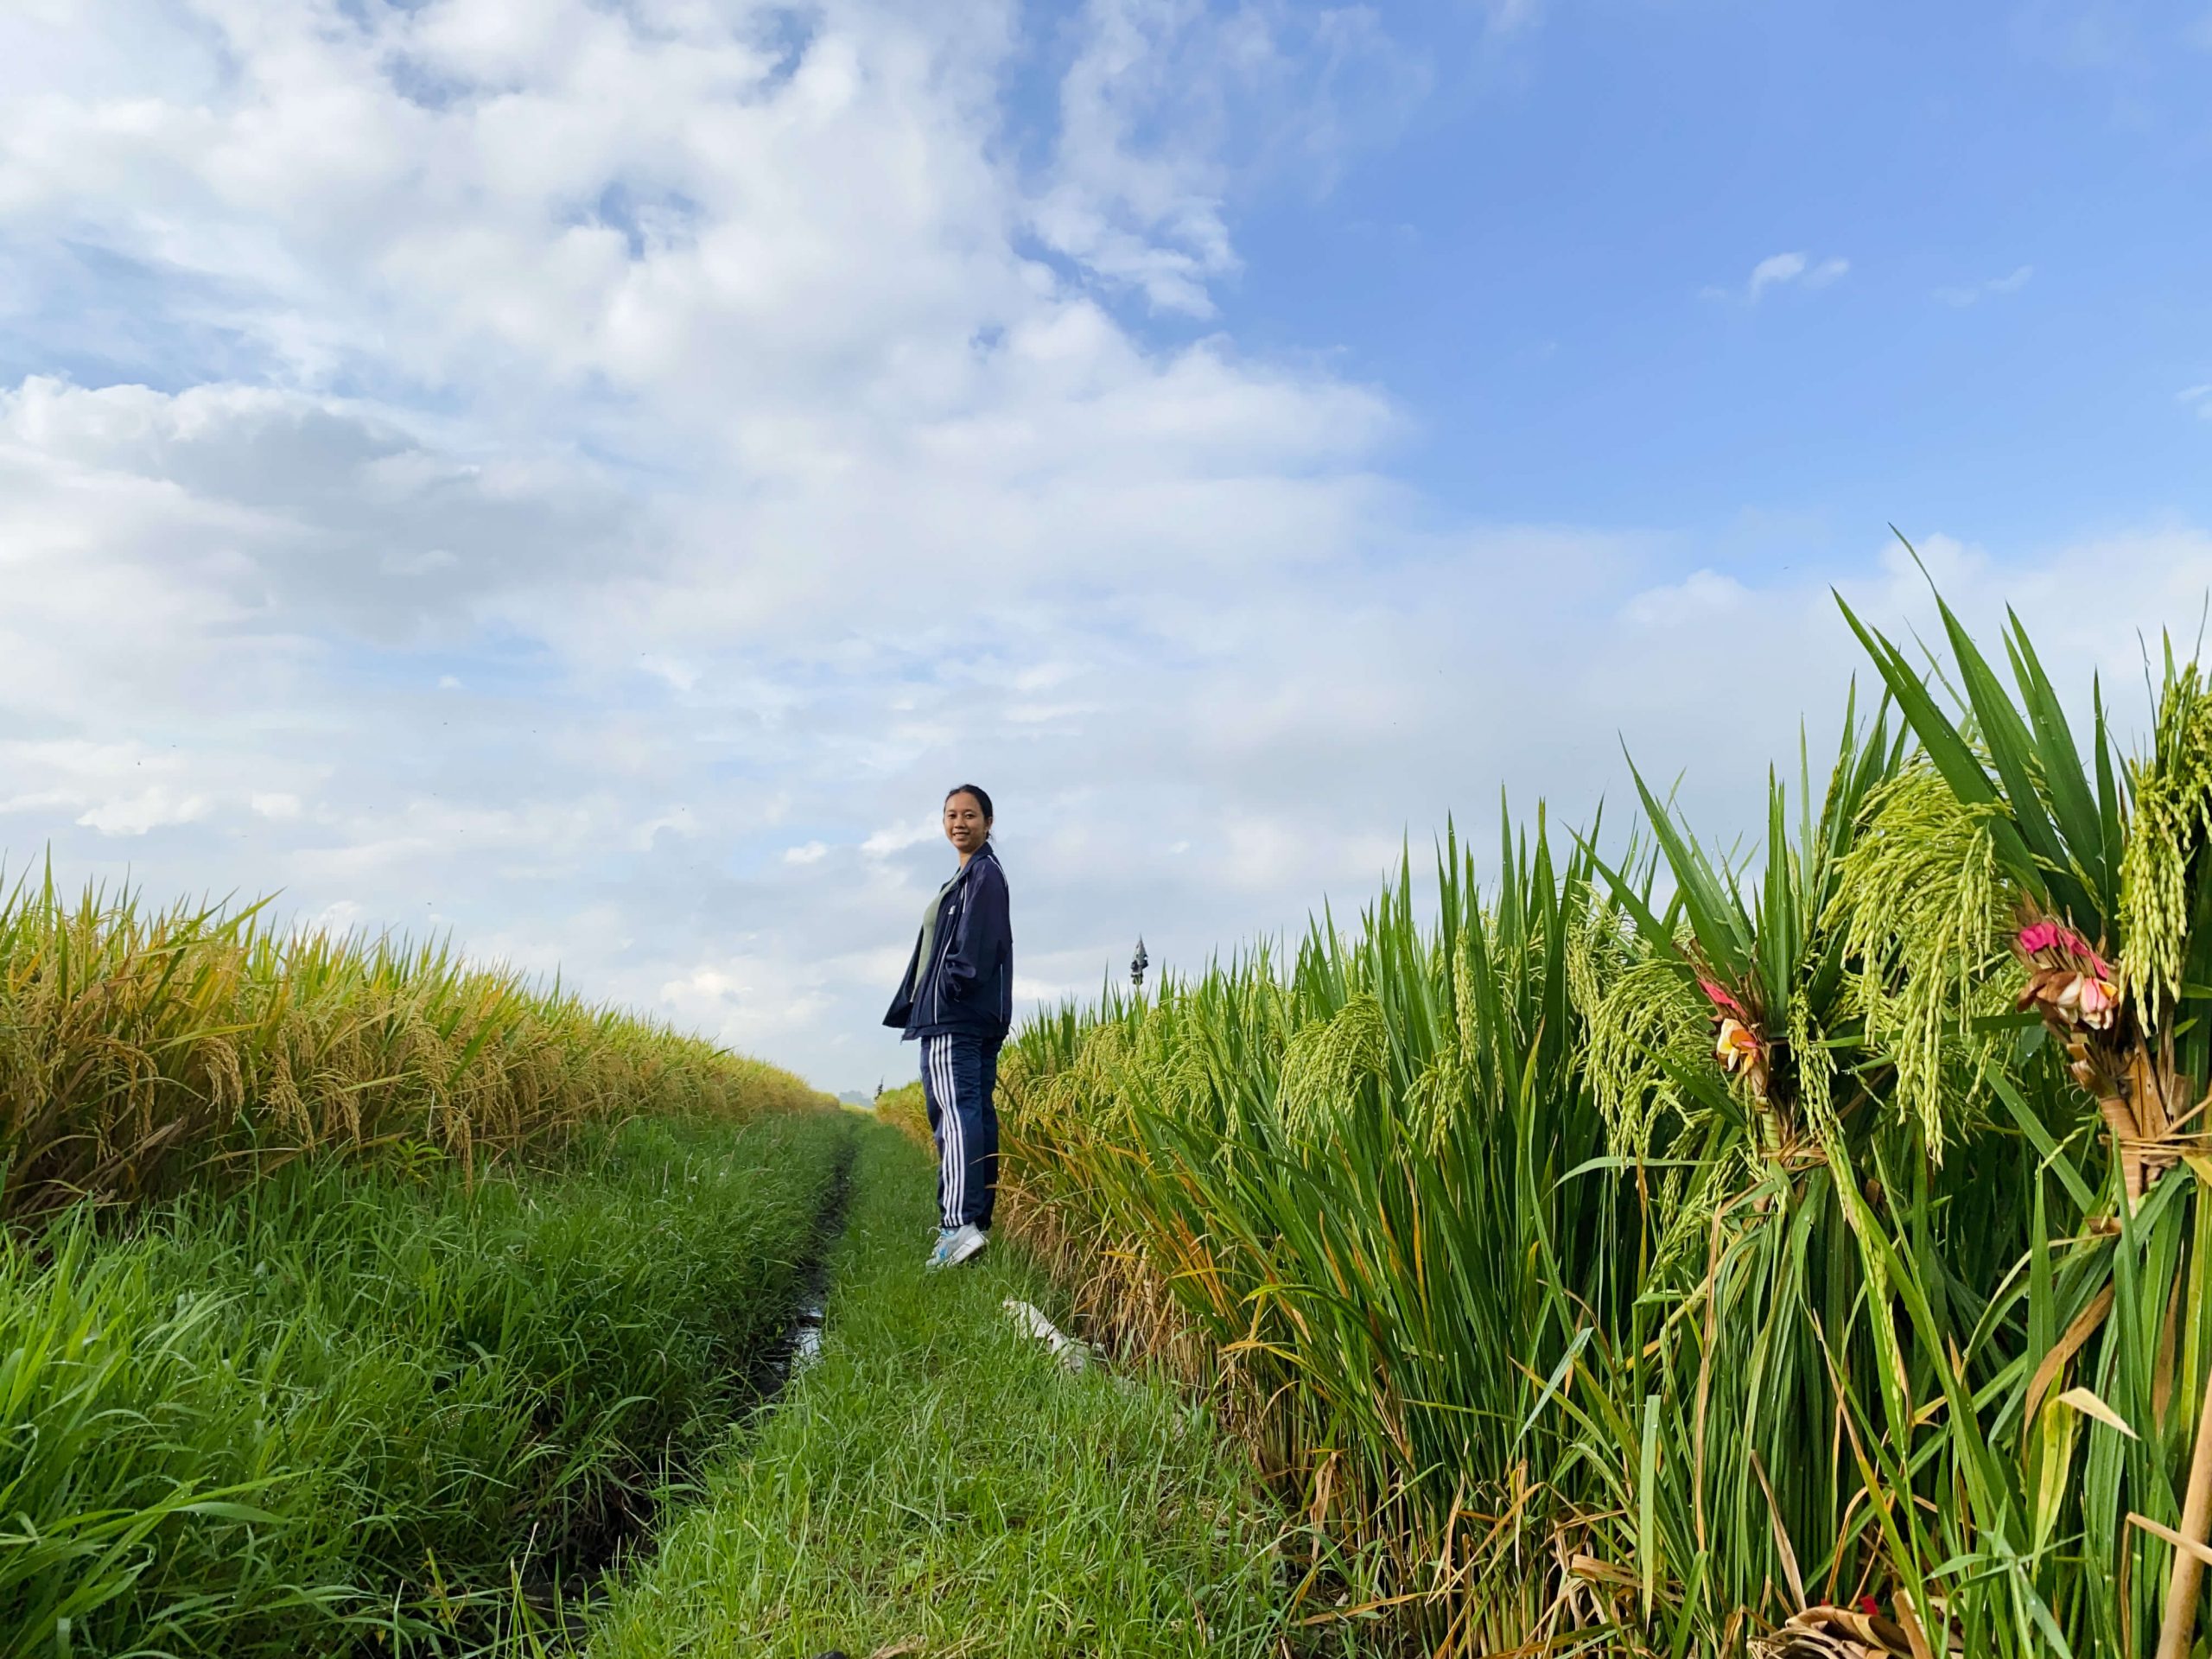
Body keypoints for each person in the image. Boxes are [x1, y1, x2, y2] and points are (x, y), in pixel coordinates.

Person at [882, 784, 1013, 1270]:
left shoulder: (983, 875)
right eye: (952, 815)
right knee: (975, 1115)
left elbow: (977, 947)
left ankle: (957, 1225)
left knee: (954, 1115)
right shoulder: (970, 877)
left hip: (955, 1017)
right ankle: (973, 1227)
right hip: (973, 1016)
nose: (960, 823)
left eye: (970, 815)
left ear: (988, 822)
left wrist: (948, 991)